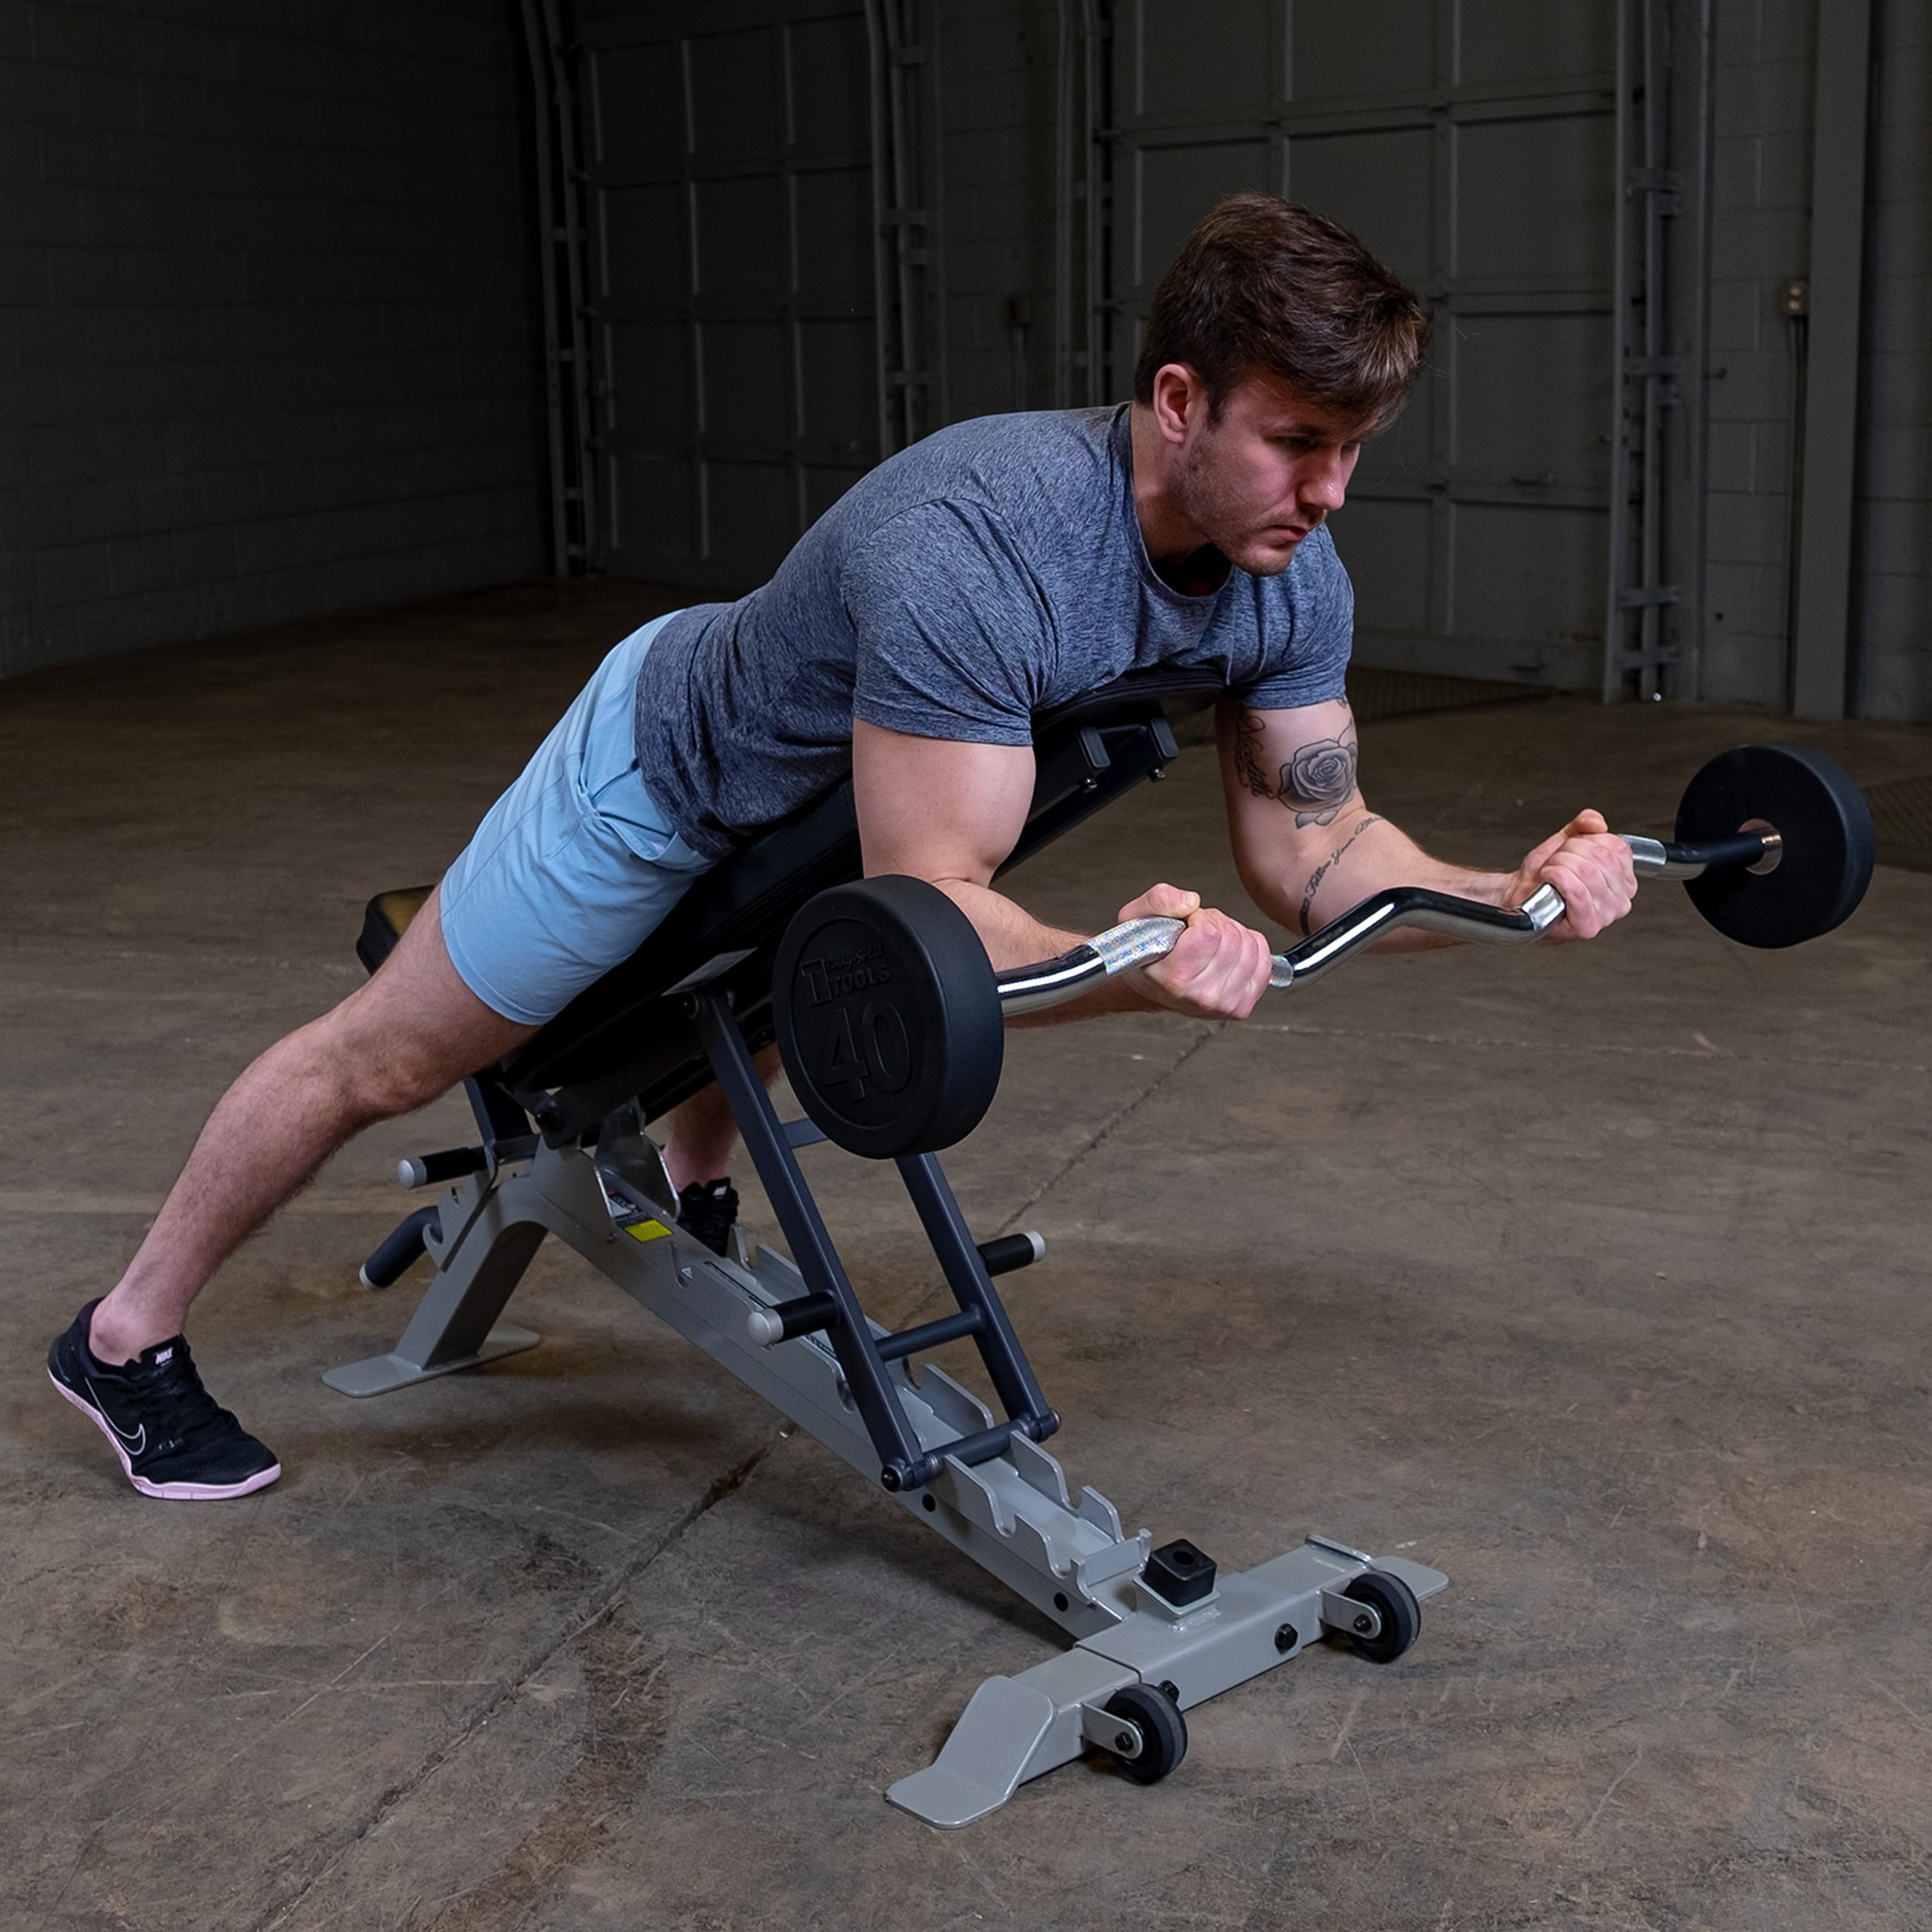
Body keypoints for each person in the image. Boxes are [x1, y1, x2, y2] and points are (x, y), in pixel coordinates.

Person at [47, 193, 1637, 1501]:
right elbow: (928, 905)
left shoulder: (1289, 572)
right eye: (1297, 440)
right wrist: (1132, 964)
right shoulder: (978, 545)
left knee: (771, 952)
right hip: (662, 776)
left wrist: (1506, 894)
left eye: (1355, 446)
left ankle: (689, 1186)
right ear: (1176, 403)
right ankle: (125, 1341)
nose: (1332, 491)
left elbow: (1320, 849)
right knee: (389, 1057)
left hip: (831, 804)